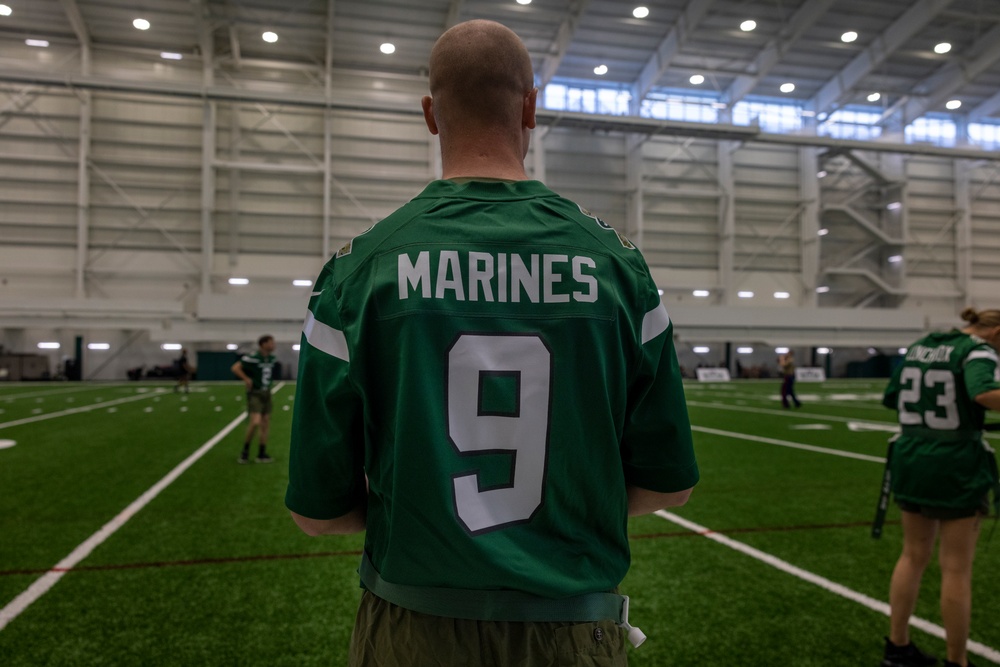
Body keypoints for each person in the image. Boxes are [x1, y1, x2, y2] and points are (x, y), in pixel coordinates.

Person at [286, 19, 699, 667]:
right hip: (570, 628)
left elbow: (317, 510)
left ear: (431, 114)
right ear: (531, 108)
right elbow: (668, 486)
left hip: (412, 629)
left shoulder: (360, 271)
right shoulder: (619, 268)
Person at [877, 307, 1000, 667]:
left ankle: (897, 649)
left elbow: (890, 397)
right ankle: (957, 661)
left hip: (911, 457)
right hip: (955, 465)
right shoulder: (977, 350)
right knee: (956, 568)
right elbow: (983, 392)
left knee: (912, 556)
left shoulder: (920, 346)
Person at [231, 335, 278, 464]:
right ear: (263, 344)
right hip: (255, 393)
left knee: (265, 423)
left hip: (266, 393)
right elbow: (235, 367)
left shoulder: (272, 358)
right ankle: (245, 451)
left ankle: (262, 453)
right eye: (271, 343)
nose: (273, 345)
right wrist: (246, 379)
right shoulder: (252, 357)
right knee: (255, 422)